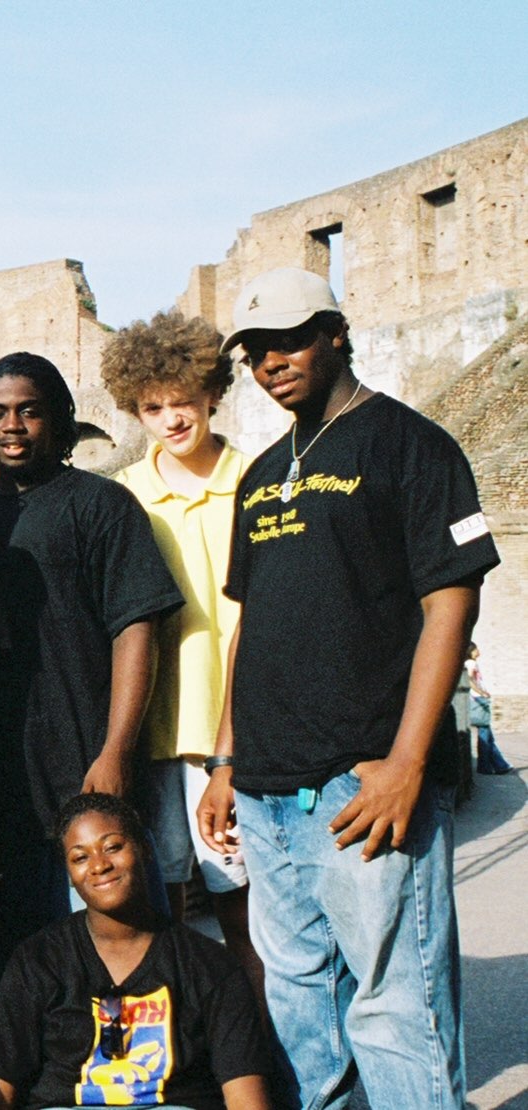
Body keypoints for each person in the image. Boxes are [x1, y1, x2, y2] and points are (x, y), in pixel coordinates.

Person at [197, 267, 499, 1108]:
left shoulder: (411, 443)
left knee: (397, 1010)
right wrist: (226, 759)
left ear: (336, 332)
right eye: (254, 351)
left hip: (364, 778)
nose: (271, 361)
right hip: (265, 790)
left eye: (289, 339)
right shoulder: (262, 474)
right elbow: (249, 624)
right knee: (300, 1010)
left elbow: (451, 601)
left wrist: (408, 761)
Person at [0, 353, 184, 946]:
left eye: (29, 412)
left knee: (120, 933)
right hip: (5, 772)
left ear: (60, 419)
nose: (12, 426)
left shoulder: (101, 506)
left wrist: (116, 749)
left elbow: (137, 628)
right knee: (31, 945)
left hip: (88, 761)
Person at [101, 312, 262, 991]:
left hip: (238, 726)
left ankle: (267, 1055)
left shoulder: (257, 479)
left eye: (182, 402)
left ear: (211, 395)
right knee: (156, 900)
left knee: (243, 904)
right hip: (152, 731)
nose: (171, 418)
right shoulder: (125, 496)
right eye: (152, 407)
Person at [0, 793, 272, 1110]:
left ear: (144, 849)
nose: (99, 865)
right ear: (68, 873)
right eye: (80, 857)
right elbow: (0, 1084)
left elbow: (245, 1094)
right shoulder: (37, 961)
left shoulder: (208, 964)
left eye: (113, 847)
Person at [466, 643, 512, 775]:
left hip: (477, 699)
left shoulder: (471, 663)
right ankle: (489, 767)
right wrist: (482, 692)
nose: (478, 651)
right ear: (471, 651)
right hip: (479, 700)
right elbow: (469, 679)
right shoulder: (470, 663)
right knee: (485, 736)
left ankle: (499, 765)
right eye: (476, 649)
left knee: (487, 736)